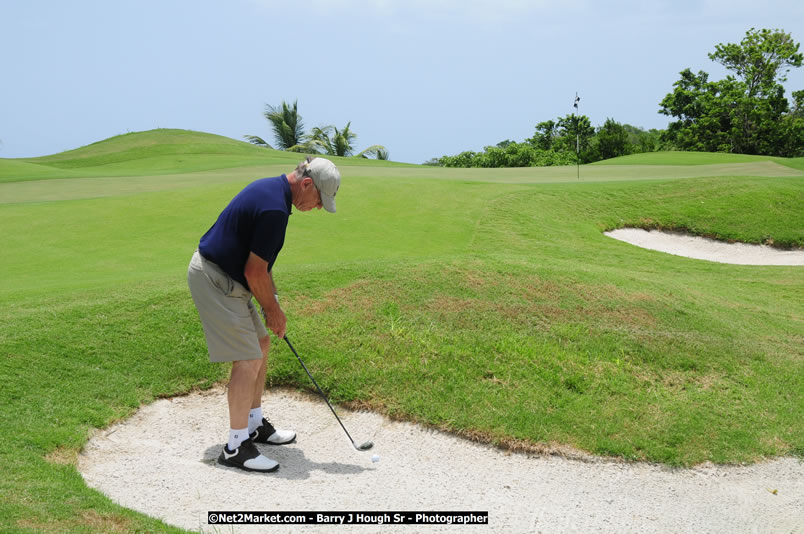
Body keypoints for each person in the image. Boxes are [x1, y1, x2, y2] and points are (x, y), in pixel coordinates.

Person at [187, 156, 340, 473]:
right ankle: (235, 447)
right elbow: (254, 272)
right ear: (307, 184)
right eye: (319, 200)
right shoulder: (274, 209)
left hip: (230, 277)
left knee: (261, 344)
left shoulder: (274, 194)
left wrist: (274, 303)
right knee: (247, 358)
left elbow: (262, 266)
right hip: (216, 279)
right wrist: (273, 311)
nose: (317, 207)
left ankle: (254, 424)